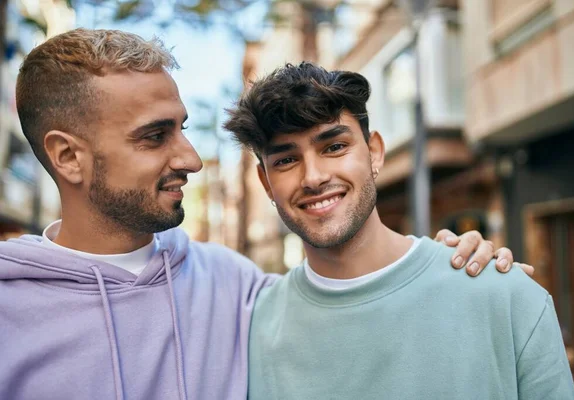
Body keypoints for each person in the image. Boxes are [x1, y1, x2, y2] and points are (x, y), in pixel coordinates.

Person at [0, 29, 520, 400]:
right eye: (156, 136)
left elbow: (356, 296)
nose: (191, 159)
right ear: (68, 157)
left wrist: (452, 262)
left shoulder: (234, 284)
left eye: (183, 128)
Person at [224, 62, 574, 399]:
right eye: (286, 160)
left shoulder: (506, 297)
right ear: (266, 184)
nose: (313, 177)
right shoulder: (251, 328)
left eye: (334, 146)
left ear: (375, 153)